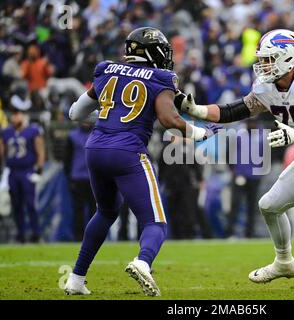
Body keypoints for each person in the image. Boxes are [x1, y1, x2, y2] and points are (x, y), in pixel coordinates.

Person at [175, 29, 294, 292]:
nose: (263, 64)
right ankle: (284, 261)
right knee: (268, 205)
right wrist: (196, 110)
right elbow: (234, 110)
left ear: (288, 57)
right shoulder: (266, 87)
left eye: (269, 58)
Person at [64, 27, 220, 297]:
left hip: (95, 148)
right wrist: (202, 133)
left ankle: (76, 278)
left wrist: (109, 120)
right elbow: (170, 120)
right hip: (127, 152)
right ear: (151, 52)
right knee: (155, 222)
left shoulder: (107, 69)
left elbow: (75, 113)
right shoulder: (161, 77)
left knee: (105, 212)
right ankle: (142, 262)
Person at [0, 106, 45, 243]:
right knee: (16, 204)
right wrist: (0, 171)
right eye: (14, 114)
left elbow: (40, 150)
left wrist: (39, 169)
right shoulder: (6, 133)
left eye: (18, 114)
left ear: (24, 116)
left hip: (27, 170)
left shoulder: (32, 131)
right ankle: (20, 234)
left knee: (30, 203)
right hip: (12, 171)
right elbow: (1, 153)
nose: (15, 117)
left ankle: (36, 233)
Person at [63, 123, 96, 241]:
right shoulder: (72, 136)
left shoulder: (97, 134)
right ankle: (79, 236)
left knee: (94, 210)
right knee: (78, 210)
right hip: (77, 178)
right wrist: (69, 176)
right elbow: (67, 158)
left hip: (94, 178)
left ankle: (93, 237)